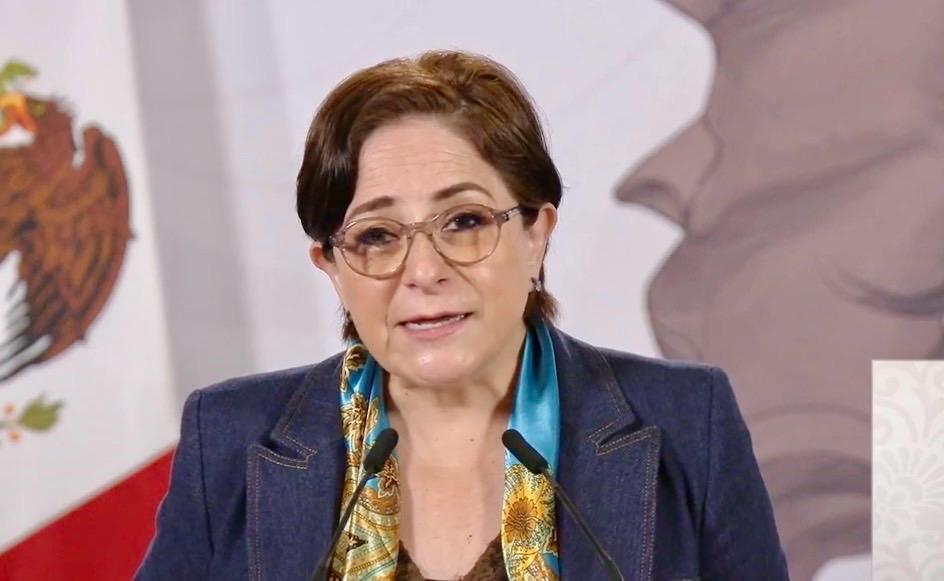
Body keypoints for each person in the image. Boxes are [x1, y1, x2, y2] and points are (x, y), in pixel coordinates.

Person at [136, 50, 788, 580]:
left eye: (465, 221)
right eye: (377, 235)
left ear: (536, 234)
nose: (424, 270)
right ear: (331, 265)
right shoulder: (230, 438)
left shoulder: (686, 423)